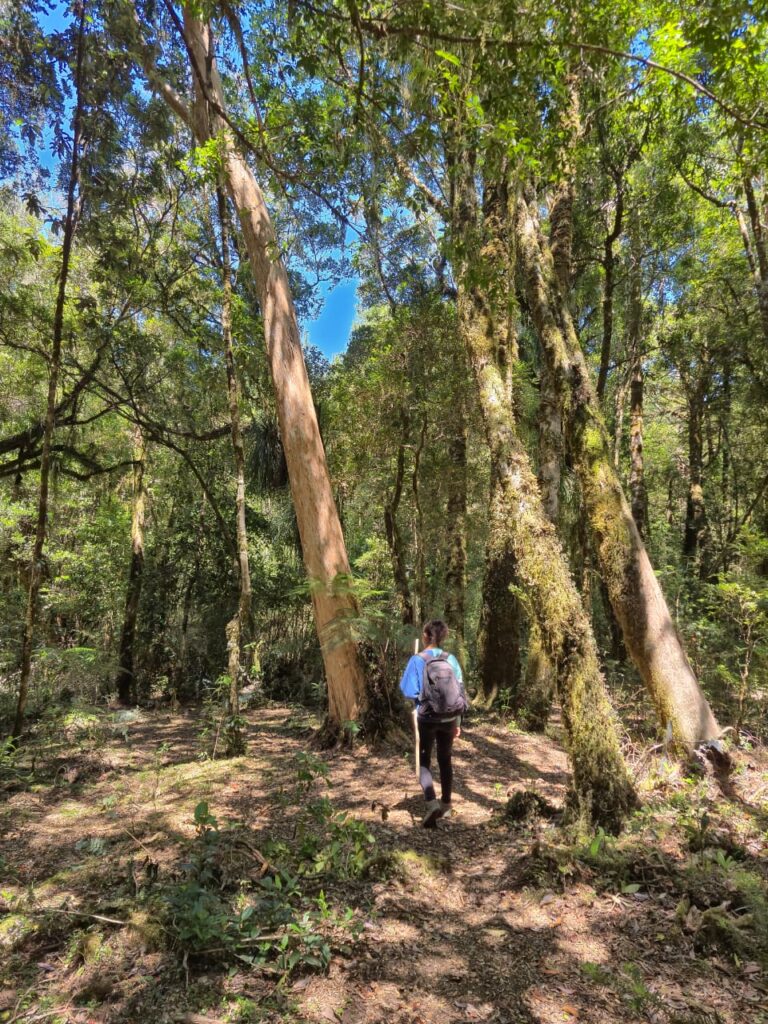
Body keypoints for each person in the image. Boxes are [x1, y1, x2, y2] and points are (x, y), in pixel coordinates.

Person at [399, 619, 467, 827]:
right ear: (442, 637)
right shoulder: (451, 659)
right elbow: (460, 691)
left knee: (424, 761)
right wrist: (457, 722)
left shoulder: (417, 660)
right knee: (445, 759)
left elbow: (408, 690)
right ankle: (446, 804)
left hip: (427, 717)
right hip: (449, 718)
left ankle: (431, 802)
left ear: (426, 636)